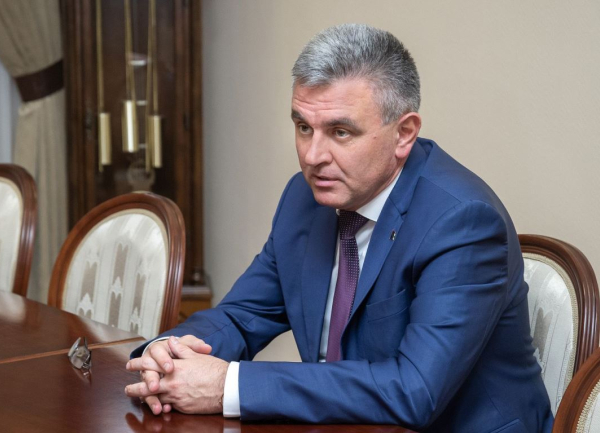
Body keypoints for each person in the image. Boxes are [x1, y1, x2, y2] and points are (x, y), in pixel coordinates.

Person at [125, 23, 553, 432]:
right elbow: (242, 316)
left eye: (341, 132)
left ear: (404, 133)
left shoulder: (462, 222)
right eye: (303, 127)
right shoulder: (305, 198)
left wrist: (228, 386)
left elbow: (414, 390)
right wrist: (168, 354)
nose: (313, 156)